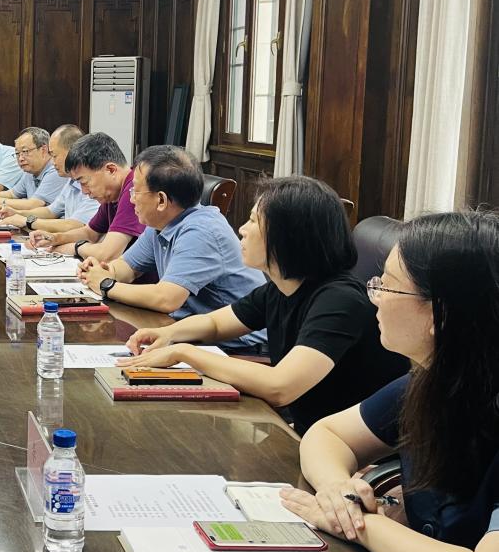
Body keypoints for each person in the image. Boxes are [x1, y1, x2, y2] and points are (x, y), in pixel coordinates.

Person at [279, 211, 499, 552]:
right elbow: (328, 433)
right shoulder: (434, 380)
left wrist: (359, 525)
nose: (375, 296)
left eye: (388, 285)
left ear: (439, 314)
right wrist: (338, 489)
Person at [116, 176, 406, 433]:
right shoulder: (282, 288)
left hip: (351, 453)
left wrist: (184, 352)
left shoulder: (340, 301)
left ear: (288, 235)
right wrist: (168, 334)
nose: (242, 230)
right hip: (310, 434)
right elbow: (216, 323)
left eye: (254, 221)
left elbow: (279, 386)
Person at [78, 145, 265, 349]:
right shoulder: (161, 223)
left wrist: (106, 285)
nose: (131, 199)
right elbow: (127, 268)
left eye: (136, 191)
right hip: (188, 331)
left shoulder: (201, 231)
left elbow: (166, 299)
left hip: (238, 345)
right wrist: (100, 271)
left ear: (161, 200)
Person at [28, 132, 145, 262]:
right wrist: (55, 238)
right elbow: (90, 233)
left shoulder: (134, 191)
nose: (84, 191)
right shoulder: (112, 195)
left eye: (84, 182)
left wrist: (76, 247)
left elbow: (107, 254)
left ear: (111, 170)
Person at [0, 124, 99, 231]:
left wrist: (27, 221)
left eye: (54, 156)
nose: (53, 162)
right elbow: (50, 211)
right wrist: (17, 213)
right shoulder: (71, 181)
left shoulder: (95, 184)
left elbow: (74, 225)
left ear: (72, 153)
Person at [0, 127, 65, 211]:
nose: (20, 158)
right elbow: (12, 194)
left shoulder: (55, 170)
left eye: (25, 151)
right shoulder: (30, 171)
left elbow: (35, 204)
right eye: (17, 153)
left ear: (43, 150)